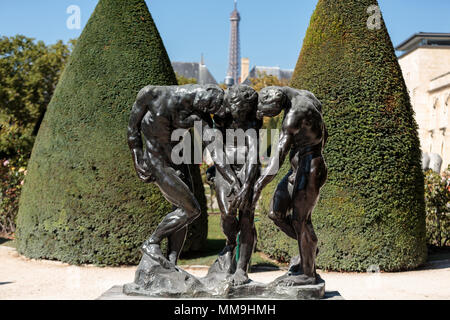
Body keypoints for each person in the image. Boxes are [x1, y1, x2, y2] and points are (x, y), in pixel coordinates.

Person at [127, 84, 239, 268]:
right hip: (157, 163)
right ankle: (152, 242)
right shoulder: (152, 94)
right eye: (211, 110)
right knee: (191, 209)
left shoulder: (197, 115)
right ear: (202, 101)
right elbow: (132, 128)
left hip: (179, 162)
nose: (208, 115)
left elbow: (214, 149)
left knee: (181, 210)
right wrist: (137, 156)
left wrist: (230, 177)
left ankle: (172, 263)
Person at [234, 86, 327, 285]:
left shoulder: (293, 117)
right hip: (300, 166)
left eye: (268, 113)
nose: (267, 117)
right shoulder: (304, 95)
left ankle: (307, 274)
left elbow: (277, 159)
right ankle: (309, 248)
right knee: (276, 214)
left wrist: (257, 186)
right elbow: (322, 128)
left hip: (310, 167)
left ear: (276, 104)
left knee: (301, 221)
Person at [210, 85, 261, 285]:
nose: (238, 115)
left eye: (242, 111)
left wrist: (247, 185)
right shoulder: (221, 116)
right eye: (235, 110)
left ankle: (241, 269)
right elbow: (216, 147)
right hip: (226, 167)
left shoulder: (254, 118)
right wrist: (229, 177)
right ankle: (230, 243)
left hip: (248, 167)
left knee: (247, 217)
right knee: (227, 213)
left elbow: (253, 153)